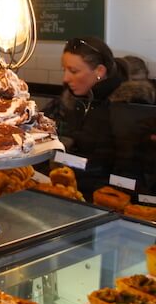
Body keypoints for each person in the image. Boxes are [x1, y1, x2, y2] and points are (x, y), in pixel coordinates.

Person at [44, 37, 134, 197]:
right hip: (70, 192)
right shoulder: (72, 102)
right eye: (64, 70)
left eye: (73, 71)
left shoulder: (124, 107)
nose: (65, 78)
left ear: (100, 71)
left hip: (104, 199)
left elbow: (125, 173)